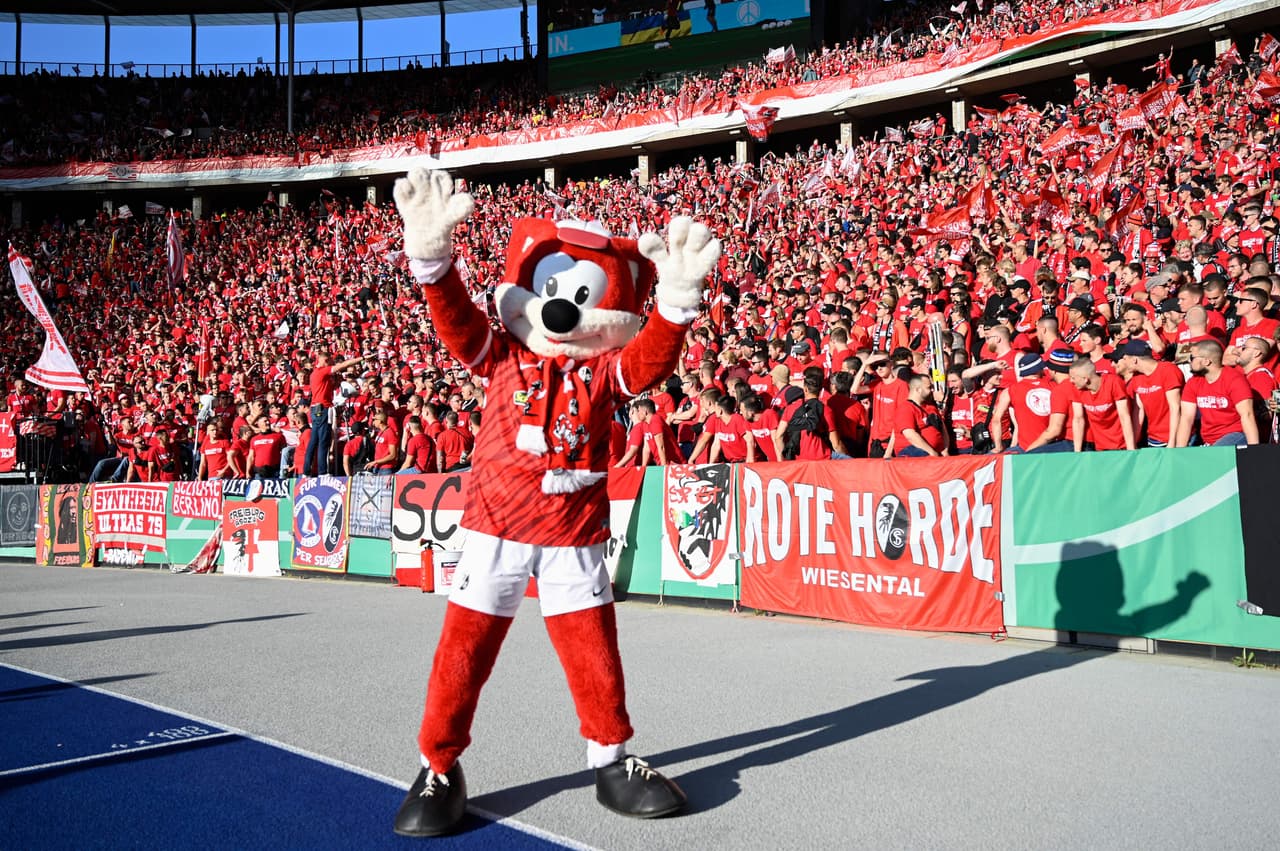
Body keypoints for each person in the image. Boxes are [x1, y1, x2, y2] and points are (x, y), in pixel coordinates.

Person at [1176, 340, 1259, 447]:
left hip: (1236, 434)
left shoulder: (1234, 380)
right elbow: (1186, 418)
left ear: (1206, 361)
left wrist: (1254, 450)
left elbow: (1247, 415)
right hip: (1209, 440)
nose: (1189, 361)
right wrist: (1179, 451)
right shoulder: (1194, 382)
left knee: (1211, 455)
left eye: (1192, 358)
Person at [306, 349, 365, 477]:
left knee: (314, 440)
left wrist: (336, 380)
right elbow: (342, 365)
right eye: (330, 362)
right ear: (325, 360)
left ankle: (306, 471)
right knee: (323, 440)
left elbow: (331, 387)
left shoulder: (316, 374)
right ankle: (322, 472)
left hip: (316, 408)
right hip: (322, 408)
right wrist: (362, 358)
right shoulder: (322, 371)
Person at [1122, 341, 1184, 448]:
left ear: (1134, 360)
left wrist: (1172, 442)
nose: (1124, 362)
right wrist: (1133, 444)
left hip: (1177, 438)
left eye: (1125, 359)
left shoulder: (1168, 370)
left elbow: (1175, 407)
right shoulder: (1136, 378)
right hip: (1154, 438)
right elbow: (1138, 411)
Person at [1069, 357, 1136, 452]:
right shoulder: (1077, 388)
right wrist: (1077, 452)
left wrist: (1130, 449)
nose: (1071, 381)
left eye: (1073, 378)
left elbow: (1124, 416)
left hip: (1121, 444)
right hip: (1100, 446)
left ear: (1085, 379)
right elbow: (1078, 419)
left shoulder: (1113, 382)